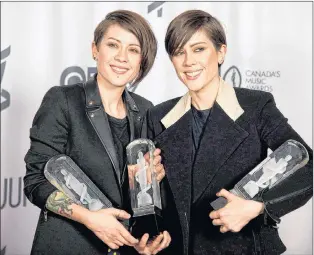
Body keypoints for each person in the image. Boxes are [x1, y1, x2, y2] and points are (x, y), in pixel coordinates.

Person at [144, 9, 313, 255]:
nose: (188, 61)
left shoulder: (256, 106)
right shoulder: (158, 116)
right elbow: (159, 202)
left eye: (199, 49)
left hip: (243, 247)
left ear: (221, 52)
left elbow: (308, 168)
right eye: (179, 52)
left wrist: (258, 207)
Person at [24, 10, 171, 255]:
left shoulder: (146, 110)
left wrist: (144, 239)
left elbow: (143, 198)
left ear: (142, 60)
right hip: (68, 246)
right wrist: (90, 218)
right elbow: (35, 181)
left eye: (133, 50)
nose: (122, 57)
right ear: (95, 49)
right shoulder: (63, 100)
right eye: (113, 45)